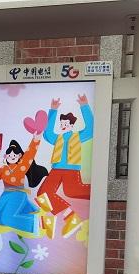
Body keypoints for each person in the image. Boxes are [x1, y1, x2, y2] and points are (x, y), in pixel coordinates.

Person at [38, 94, 93, 238]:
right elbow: (47, 133)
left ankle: (98, 191)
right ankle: (69, 218)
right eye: (61, 123)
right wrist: (53, 110)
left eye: (66, 123)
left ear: (71, 125)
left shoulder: (78, 136)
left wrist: (84, 106)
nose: (63, 125)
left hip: (71, 169)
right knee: (43, 194)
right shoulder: (57, 138)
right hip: (56, 169)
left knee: (72, 191)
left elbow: (90, 128)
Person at [0, 136, 55, 238]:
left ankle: (43, 222)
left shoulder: (21, 166)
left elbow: (29, 155)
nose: (12, 157)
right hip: (6, 194)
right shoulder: (3, 169)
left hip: (18, 194)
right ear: (5, 156)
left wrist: (36, 139)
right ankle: (27, 210)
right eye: (9, 155)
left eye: (14, 155)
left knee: (6, 218)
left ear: (19, 156)